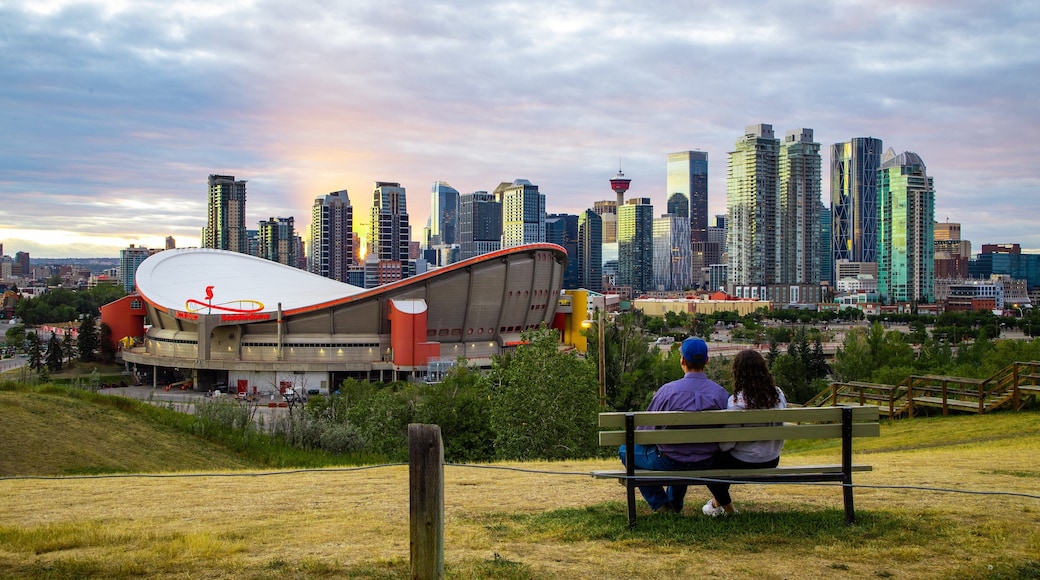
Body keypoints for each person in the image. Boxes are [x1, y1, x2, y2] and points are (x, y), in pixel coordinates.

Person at [619, 337, 729, 514]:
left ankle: (662, 503)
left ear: (682, 361)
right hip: (705, 462)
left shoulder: (668, 391)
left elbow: (644, 433)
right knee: (681, 451)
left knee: (625, 450)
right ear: (707, 361)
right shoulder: (720, 394)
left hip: (669, 461)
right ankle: (674, 504)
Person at [702, 349, 788, 516]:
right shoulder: (778, 394)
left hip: (744, 460)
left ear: (737, 372)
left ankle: (730, 510)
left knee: (710, 463)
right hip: (772, 459)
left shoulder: (736, 401)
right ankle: (714, 503)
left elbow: (727, 444)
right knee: (722, 462)